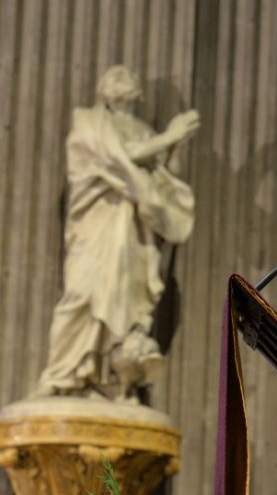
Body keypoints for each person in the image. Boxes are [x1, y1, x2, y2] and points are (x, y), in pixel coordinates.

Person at [34, 64, 200, 400]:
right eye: (114, 76)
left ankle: (110, 377)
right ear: (101, 88)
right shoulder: (88, 122)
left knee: (125, 298)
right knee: (80, 294)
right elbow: (115, 159)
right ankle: (61, 373)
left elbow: (163, 179)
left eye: (128, 77)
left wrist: (174, 147)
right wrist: (168, 137)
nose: (121, 82)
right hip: (95, 223)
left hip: (132, 232)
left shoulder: (140, 130)